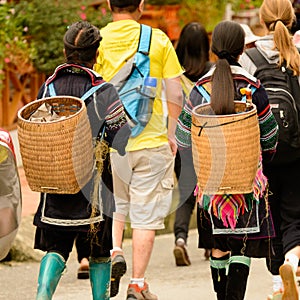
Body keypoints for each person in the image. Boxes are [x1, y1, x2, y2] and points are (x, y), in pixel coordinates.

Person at [176, 20, 278, 299]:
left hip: (210, 188)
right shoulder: (253, 88)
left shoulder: (198, 90)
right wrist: (258, 160)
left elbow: (183, 138)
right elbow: (270, 137)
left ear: (214, 48)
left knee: (219, 246)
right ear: (242, 49)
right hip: (246, 185)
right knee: (240, 245)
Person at [32, 21, 130, 299]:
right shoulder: (103, 91)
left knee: (57, 248)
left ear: (65, 52)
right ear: (96, 54)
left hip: (55, 183)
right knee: (99, 251)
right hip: (94, 187)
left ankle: (42, 294)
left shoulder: (47, 89)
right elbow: (121, 139)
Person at [95, 0, 183, 299]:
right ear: (141, 5)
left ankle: (116, 249)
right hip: (152, 138)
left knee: (118, 201)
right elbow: (174, 92)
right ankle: (137, 283)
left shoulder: (100, 40)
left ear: (109, 4)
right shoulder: (157, 39)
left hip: (113, 140)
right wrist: (171, 134)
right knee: (145, 215)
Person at [239, 0, 300, 299]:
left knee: (270, 216)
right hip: (297, 149)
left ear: (261, 21)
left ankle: (278, 284)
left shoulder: (249, 59)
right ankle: (293, 262)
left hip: (263, 153)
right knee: (295, 216)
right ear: (291, 19)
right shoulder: (298, 54)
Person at [173, 21, 212, 266]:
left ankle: (180, 239)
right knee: (208, 191)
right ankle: (210, 244)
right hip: (208, 141)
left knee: (186, 192)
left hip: (181, 141)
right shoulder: (212, 73)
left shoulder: (173, 73)